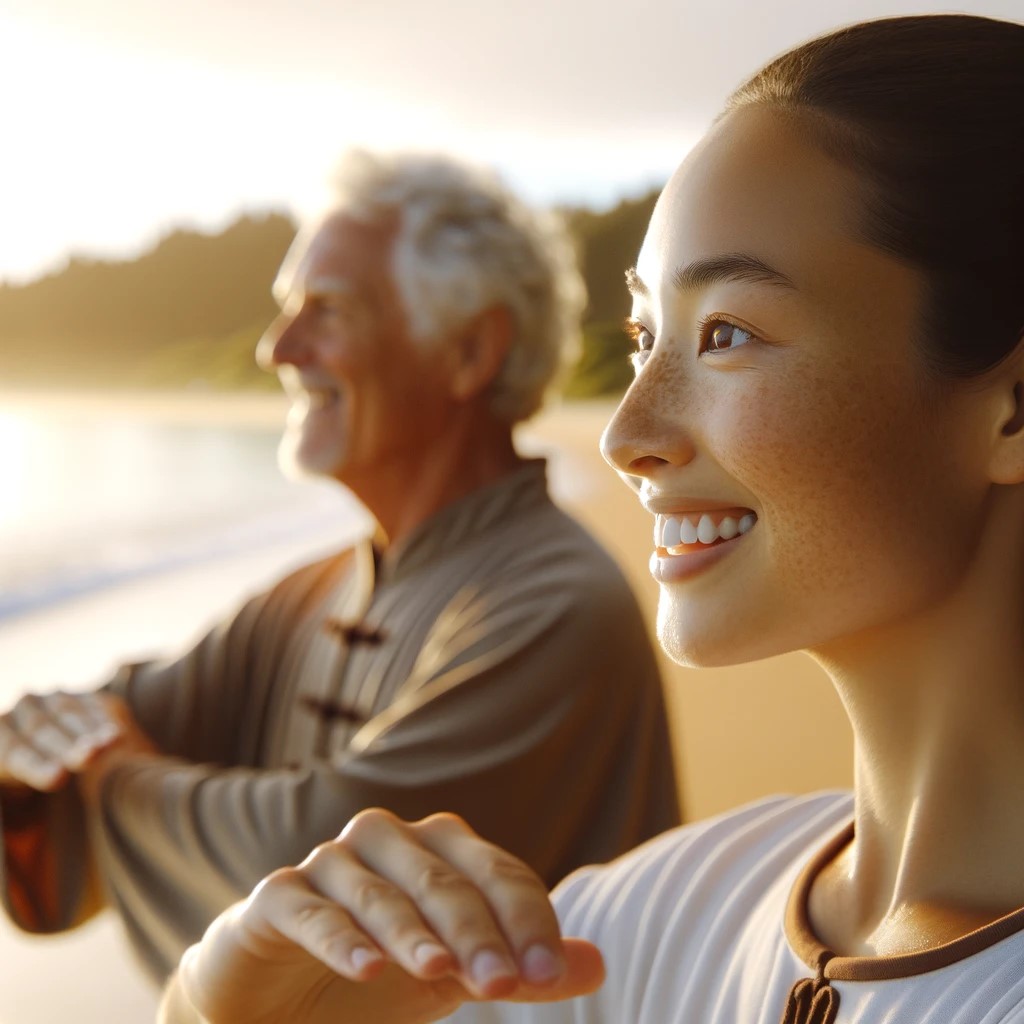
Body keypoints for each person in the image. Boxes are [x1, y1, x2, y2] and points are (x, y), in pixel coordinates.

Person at [159, 12, 1024, 1024]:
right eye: (643, 335)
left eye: (727, 332)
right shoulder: (653, 914)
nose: (625, 432)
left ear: (1009, 409)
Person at [0, 152, 680, 985]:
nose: (276, 347)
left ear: (469, 351)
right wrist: (39, 748)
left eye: (325, 310)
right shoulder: (311, 592)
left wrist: (107, 773)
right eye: (288, 310)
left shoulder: (557, 603)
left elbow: (317, 872)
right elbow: (107, 722)